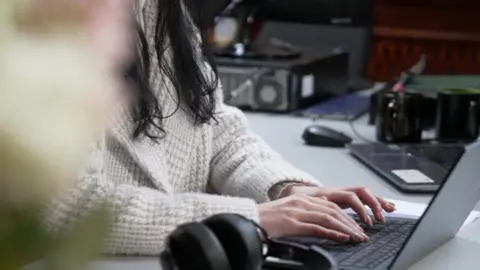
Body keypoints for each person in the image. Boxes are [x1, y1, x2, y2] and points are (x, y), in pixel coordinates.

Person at [44, 0, 396, 255]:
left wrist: (285, 190)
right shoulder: (44, 22)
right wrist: (248, 218)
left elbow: (215, 131)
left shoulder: (163, 9)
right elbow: (65, 207)